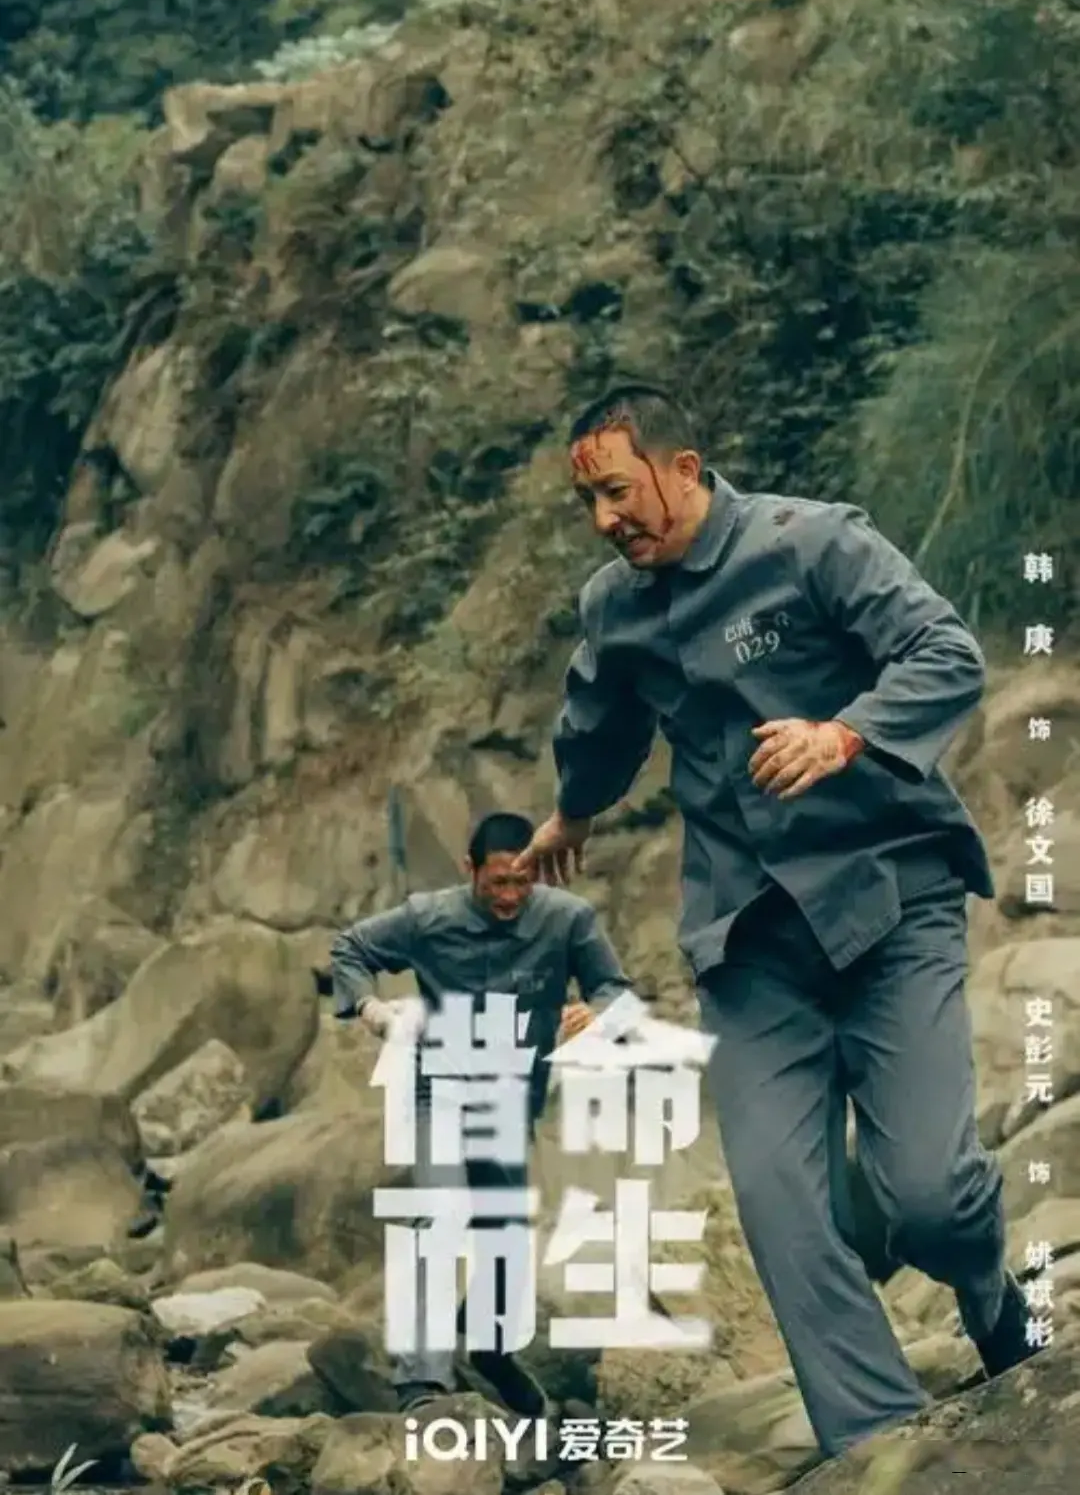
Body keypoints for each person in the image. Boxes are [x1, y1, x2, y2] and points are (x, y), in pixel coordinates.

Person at [512, 382, 1039, 1458]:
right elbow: (600, 724)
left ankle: (991, 1297)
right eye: (589, 503)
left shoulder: (811, 543)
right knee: (781, 1204)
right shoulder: (615, 606)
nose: (606, 519)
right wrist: (572, 811)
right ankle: (883, 1448)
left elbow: (946, 653)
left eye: (618, 491)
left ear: (683, 468)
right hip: (748, 948)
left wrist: (844, 735)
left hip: (889, 905)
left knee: (930, 1194)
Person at [330, 809, 635, 1416]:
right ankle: (421, 1383)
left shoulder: (568, 919)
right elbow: (351, 948)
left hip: (511, 1098)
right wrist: (371, 1009)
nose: (510, 896)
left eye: (522, 882)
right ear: (470, 869)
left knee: (506, 1234)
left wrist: (599, 1015)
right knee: (438, 1219)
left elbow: (619, 992)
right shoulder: (428, 917)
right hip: (438, 1091)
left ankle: (490, 1351)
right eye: (498, 882)